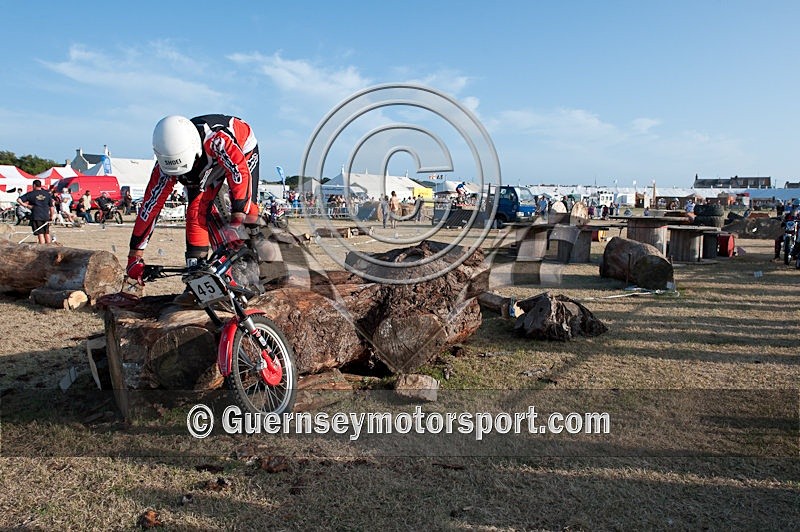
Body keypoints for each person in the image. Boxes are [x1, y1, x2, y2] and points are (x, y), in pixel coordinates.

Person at [125, 114, 263, 305]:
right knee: (195, 212)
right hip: (207, 165)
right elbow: (150, 206)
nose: (185, 177)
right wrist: (135, 255)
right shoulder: (164, 166)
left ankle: (254, 257)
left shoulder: (217, 140)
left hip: (242, 150)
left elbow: (238, 172)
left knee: (249, 211)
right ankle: (198, 282)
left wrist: (238, 219)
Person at [17, 179, 55, 244]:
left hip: (37, 215)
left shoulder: (31, 194)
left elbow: (18, 199)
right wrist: (52, 215)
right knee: (46, 232)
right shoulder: (47, 194)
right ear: (40, 185)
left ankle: (43, 248)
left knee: (40, 233)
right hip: (45, 215)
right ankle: (49, 247)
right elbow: (51, 206)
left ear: (34, 185)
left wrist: (26, 205)